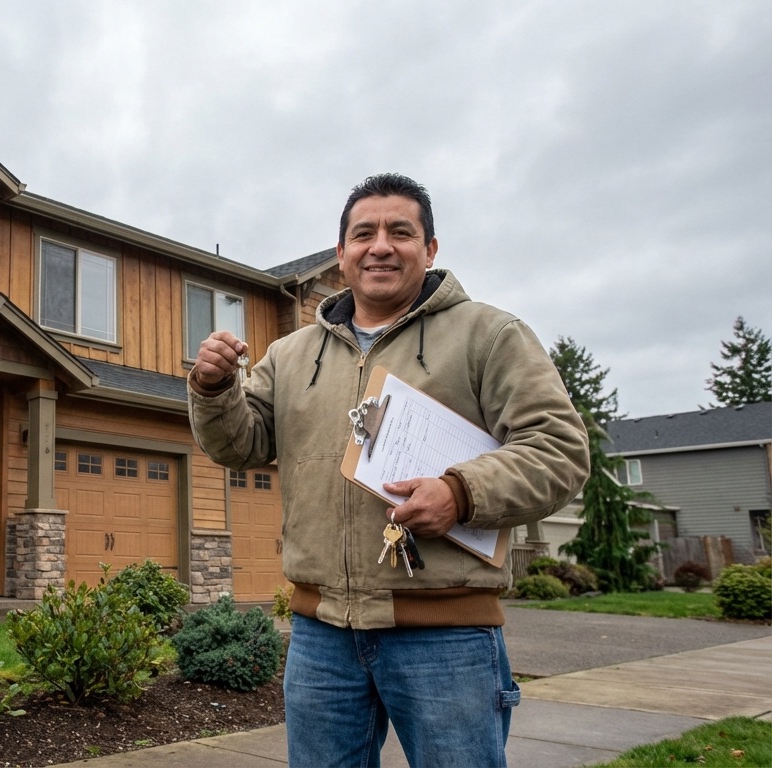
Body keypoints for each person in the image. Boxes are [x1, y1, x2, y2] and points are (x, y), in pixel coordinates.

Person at [188, 173, 589, 767]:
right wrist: (215, 387)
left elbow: (559, 449)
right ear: (342, 254)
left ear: (430, 250)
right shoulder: (292, 354)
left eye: (401, 232)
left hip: (446, 637)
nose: (380, 245)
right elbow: (241, 445)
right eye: (363, 233)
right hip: (321, 636)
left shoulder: (490, 335)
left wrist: (461, 493)